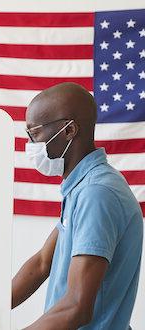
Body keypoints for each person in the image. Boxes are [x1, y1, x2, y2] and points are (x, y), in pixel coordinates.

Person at [12, 82, 143, 329]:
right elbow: (42, 263)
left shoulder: (98, 193)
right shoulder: (80, 188)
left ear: (69, 130)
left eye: (35, 133)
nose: (30, 145)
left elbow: (77, 307)